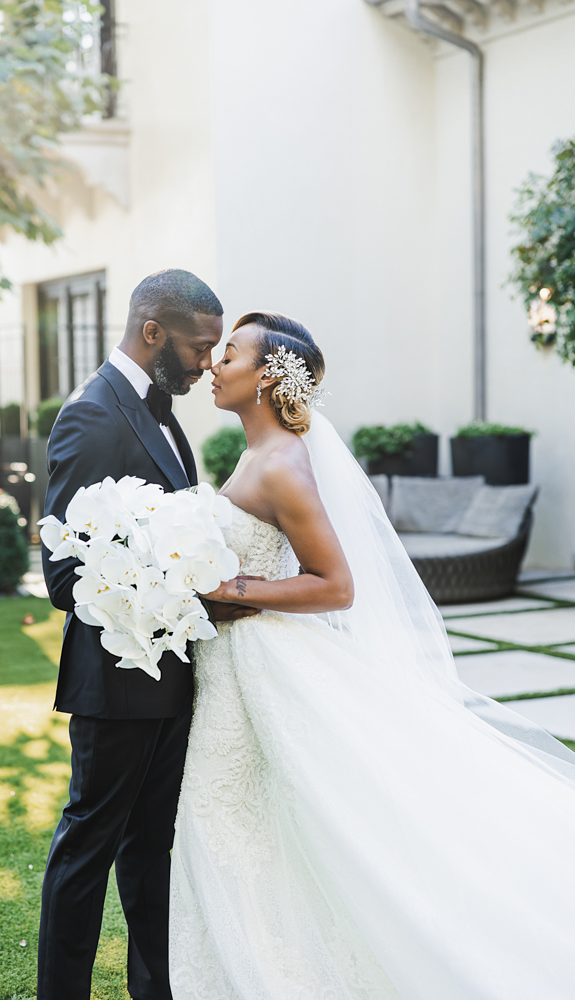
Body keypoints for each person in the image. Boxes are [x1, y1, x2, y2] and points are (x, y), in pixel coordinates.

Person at [169, 310, 575, 1000]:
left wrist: (229, 586)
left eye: (229, 356)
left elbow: (336, 584)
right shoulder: (253, 454)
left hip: (262, 664)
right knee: (249, 826)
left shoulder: (282, 466)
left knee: (227, 818)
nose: (214, 365)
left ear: (267, 377)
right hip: (235, 665)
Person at [37, 270, 256, 1000]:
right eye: (198, 347)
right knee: (88, 848)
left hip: (174, 679)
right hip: (115, 683)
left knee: (151, 848)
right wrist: (185, 592)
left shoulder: (161, 408)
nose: (206, 362)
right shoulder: (93, 416)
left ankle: (154, 989)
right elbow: (66, 578)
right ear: (153, 332)